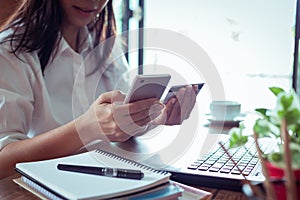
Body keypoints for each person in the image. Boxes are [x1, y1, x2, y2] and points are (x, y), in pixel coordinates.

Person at [0, 0, 197, 179]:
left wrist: (158, 115)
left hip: (113, 175)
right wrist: (84, 129)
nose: (93, 1)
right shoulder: (10, 51)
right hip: (52, 183)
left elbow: (123, 119)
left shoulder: (104, 42)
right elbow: (3, 161)